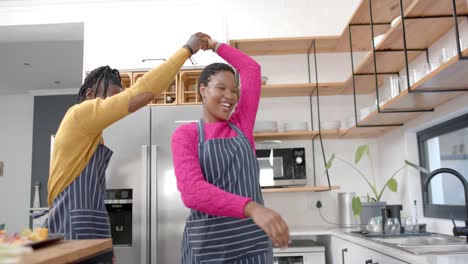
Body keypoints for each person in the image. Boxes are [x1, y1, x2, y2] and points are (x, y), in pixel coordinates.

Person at [45, 32, 211, 240]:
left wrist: (105, 243)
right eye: (112, 100)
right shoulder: (78, 115)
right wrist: (186, 50)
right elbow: (142, 93)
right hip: (69, 231)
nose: (116, 109)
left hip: (89, 232)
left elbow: (92, 202)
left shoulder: (91, 136)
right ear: (89, 95)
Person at [171, 39, 290, 263]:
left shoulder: (242, 124)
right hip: (207, 251)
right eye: (221, 88)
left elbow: (251, 69)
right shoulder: (186, 135)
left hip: (253, 249)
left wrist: (214, 45)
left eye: (234, 91)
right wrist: (252, 208)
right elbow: (193, 192)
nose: (230, 96)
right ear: (203, 90)